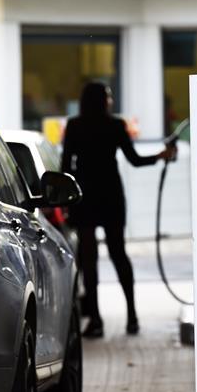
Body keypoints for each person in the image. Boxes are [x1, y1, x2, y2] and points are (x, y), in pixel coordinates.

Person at [62, 82, 174, 338]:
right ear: (103, 100)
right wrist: (160, 156)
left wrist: (66, 200)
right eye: (109, 96)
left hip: (85, 196)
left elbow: (66, 165)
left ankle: (96, 320)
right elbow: (134, 160)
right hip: (111, 195)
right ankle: (132, 316)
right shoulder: (115, 126)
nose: (111, 100)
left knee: (88, 259)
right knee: (119, 254)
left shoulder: (75, 126)